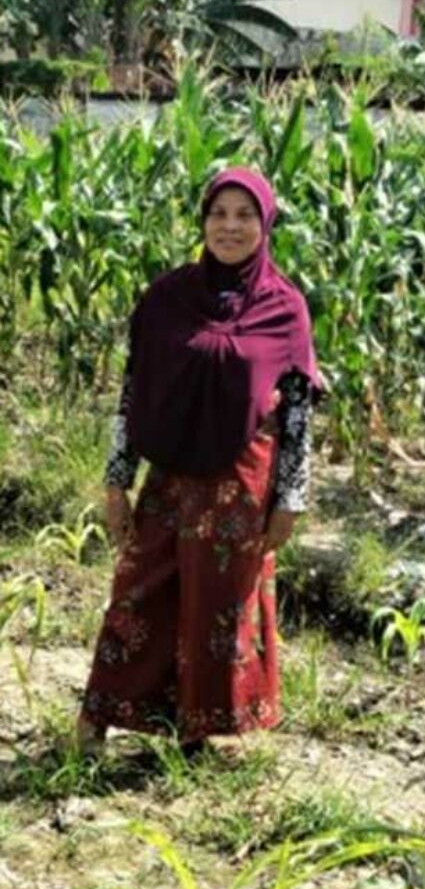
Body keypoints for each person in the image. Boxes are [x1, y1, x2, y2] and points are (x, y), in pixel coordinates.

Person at [77, 167, 321, 755]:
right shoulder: (168, 299)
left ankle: (203, 730)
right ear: (203, 221)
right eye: (219, 214)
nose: (229, 227)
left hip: (241, 483)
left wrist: (290, 499)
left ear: (265, 226)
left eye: (245, 216)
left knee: (220, 606)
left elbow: (297, 414)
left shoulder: (284, 308)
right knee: (139, 592)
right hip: (169, 480)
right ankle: (98, 718)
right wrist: (117, 483)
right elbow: (135, 392)